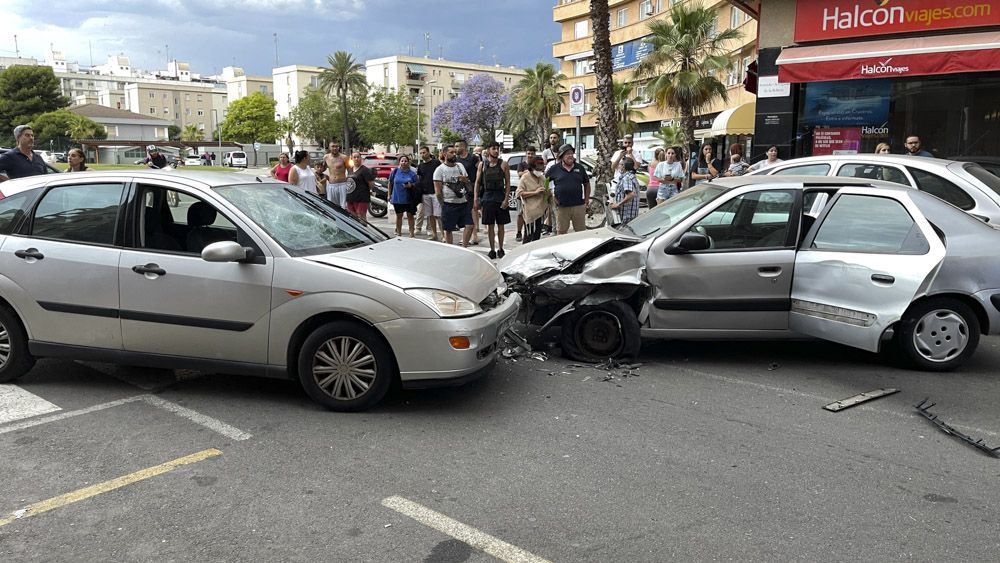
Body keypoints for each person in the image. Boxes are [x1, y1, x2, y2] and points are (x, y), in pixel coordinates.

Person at [473, 142, 511, 260]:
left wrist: (506, 198)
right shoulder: (482, 165)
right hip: (488, 197)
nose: (496, 151)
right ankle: (492, 249)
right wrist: (476, 198)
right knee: (490, 226)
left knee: (501, 225)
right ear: (488, 150)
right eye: (493, 148)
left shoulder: (503, 164)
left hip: (500, 196)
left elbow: (508, 182)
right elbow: (477, 182)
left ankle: (500, 248)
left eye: (497, 149)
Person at [434, 145, 473, 247]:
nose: (454, 154)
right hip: (449, 203)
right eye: (451, 152)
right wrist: (443, 205)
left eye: (455, 152)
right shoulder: (440, 170)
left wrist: (466, 180)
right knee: (448, 229)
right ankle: (450, 249)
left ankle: (464, 247)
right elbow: (438, 191)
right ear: (444, 154)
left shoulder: (460, 166)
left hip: (463, 202)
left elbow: (469, 185)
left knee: (470, 225)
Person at [546, 144, 590, 234]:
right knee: (561, 232)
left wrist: (586, 200)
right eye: (567, 154)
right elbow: (545, 182)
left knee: (581, 233)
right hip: (561, 207)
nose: (570, 155)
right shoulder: (554, 168)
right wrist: (550, 195)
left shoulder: (580, 168)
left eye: (571, 153)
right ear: (562, 156)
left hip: (578, 206)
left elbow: (587, 184)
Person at [517, 156, 549, 244]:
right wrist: (535, 192)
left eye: (541, 169)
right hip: (530, 213)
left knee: (537, 237)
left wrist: (547, 192)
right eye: (538, 169)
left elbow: (547, 193)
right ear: (532, 168)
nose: (540, 172)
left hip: (540, 213)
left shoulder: (542, 178)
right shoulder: (525, 177)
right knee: (528, 236)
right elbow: (519, 194)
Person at [455, 139, 481, 245]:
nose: (455, 148)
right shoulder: (456, 160)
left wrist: (477, 184)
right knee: (463, 213)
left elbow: (480, 170)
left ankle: (474, 235)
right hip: (460, 189)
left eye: (457, 146)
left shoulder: (473, 158)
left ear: (463, 147)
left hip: (471, 188)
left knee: (473, 211)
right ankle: (466, 235)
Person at [389, 154, 419, 237]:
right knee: (399, 215)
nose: (404, 162)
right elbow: (390, 183)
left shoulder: (412, 174)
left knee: (410, 216)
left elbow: (417, 184)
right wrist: (389, 195)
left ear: (408, 162)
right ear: (399, 162)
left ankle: (411, 233)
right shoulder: (394, 172)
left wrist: (411, 185)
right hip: (397, 198)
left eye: (405, 161)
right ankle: (399, 232)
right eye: (402, 161)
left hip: (409, 198)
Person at [416, 146, 442, 241]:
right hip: (425, 194)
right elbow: (420, 179)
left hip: (435, 192)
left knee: (438, 215)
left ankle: (443, 235)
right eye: (421, 153)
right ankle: (434, 234)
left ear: (428, 152)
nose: (422, 155)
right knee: (430, 215)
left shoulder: (436, 163)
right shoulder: (420, 166)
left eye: (424, 152)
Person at [511, 145, 536, 241]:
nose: (530, 155)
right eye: (528, 153)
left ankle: (530, 231)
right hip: (523, 192)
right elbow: (519, 174)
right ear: (526, 154)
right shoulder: (521, 164)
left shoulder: (536, 164)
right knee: (520, 213)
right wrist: (528, 172)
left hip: (533, 192)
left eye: (532, 154)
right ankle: (518, 232)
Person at [346, 151, 374, 224]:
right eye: (354, 157)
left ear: (361, 159)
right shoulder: (349, 170)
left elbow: (371, 184)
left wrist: (367, 192)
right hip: (350, 197)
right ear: (351, 159)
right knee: (353, 218)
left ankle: (365, 233)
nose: (356, 159)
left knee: (362, 217)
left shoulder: (365, 170)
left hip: (362, 198)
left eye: (358, 157)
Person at [611, 157, 640, 226]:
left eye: (620, 164)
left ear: (623, 166)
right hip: (630, 214)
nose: (619, 166)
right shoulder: (631, 176)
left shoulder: (626, 178)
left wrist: (618, 205)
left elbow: (631, 195)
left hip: (626, 215)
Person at [324, 142, 349, 207]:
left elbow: (350, 171)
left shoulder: (344, 157)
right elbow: (322, 169)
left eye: (336, 146)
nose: (335, 148)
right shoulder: (326, 157)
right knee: (332, 207)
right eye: (333, 146)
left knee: (344, 207)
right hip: (331, 185)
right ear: (329, 147)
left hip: (342, 185)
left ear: (339, 147)